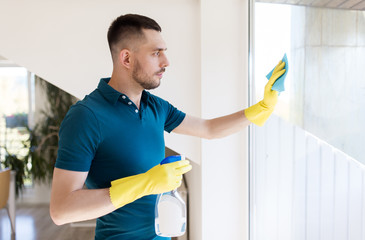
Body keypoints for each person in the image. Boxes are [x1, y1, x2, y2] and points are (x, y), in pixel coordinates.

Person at [50, 14, 285, 240]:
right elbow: (61, 211)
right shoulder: (86, 117)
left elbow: (209, 129)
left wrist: (261, 108)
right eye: (156, 53)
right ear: (127, 59)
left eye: (164, 52)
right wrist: (145, 183)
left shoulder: (155, 107)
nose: (166, 62)